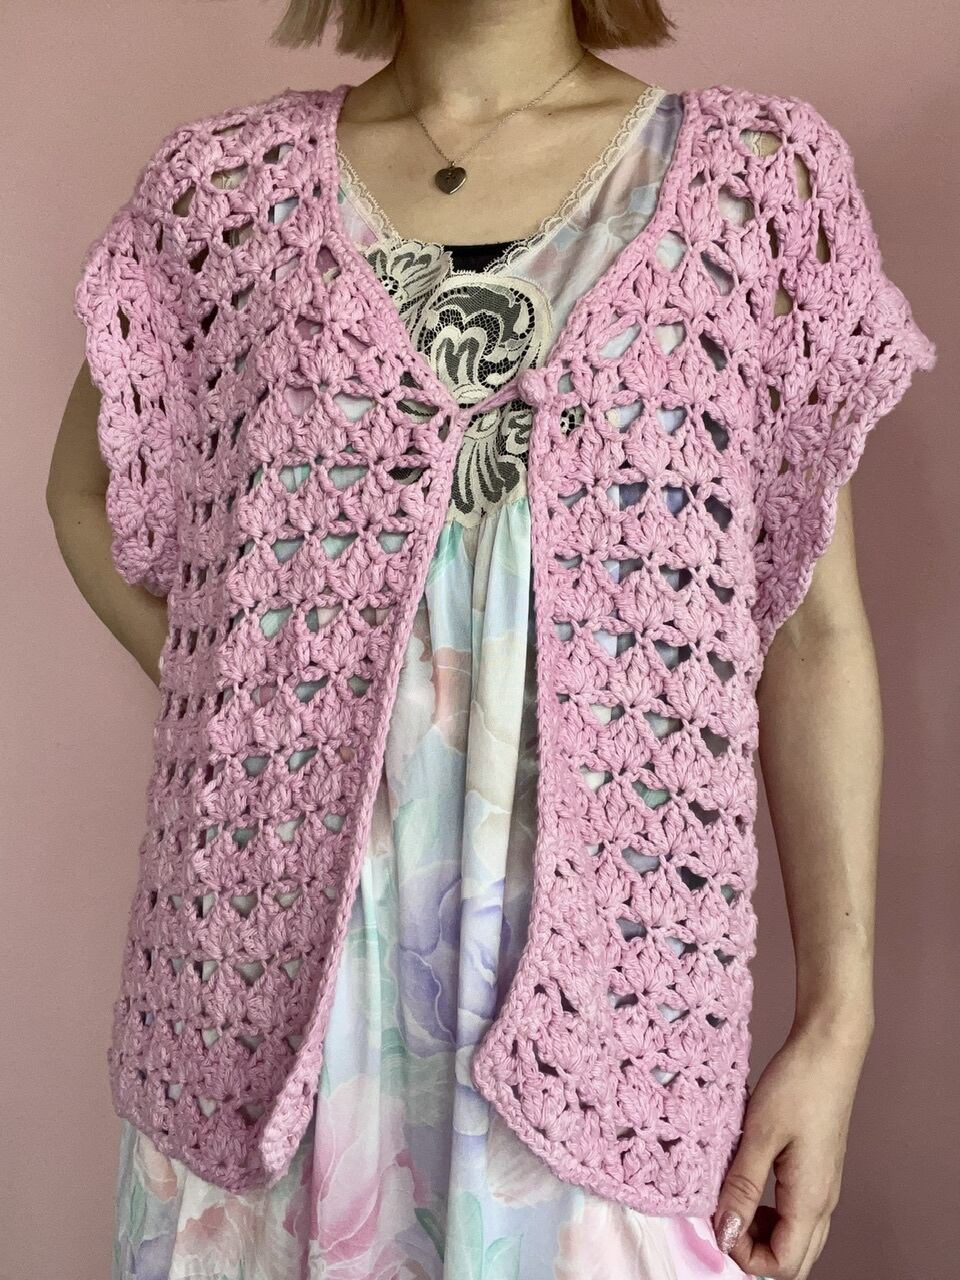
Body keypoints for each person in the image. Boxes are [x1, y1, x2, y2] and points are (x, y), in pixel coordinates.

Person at [46, 2, 935, 1278]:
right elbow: (83, 493)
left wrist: (836, 1022)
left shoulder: (755, 191)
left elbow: (810, 637)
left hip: (615, 1021)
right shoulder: (221, 200)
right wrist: (247, 695)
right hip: (267, 1030)